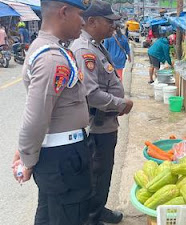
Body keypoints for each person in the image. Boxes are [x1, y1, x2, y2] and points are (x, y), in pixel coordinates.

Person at [11, 0, 92, 224]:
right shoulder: (52, 58)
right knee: (69, 217)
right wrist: (27, 159)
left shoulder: (52, 50)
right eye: (80, 14)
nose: (83, 22)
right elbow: (36, 117)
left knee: (50, 215)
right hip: (64, 159)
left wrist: (25, 152)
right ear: (64, 12)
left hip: (59, 156)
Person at [70, 1, 134, 225]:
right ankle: (91, 218)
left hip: (105, 124)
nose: (113, 27)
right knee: (97, 174)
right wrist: (120, 104)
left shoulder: (96, 46)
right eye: (109, 22)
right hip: (97, 127)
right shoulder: (85, 50)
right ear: (91, 21)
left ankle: (98, 209)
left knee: (103, 172)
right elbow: (91, 94)